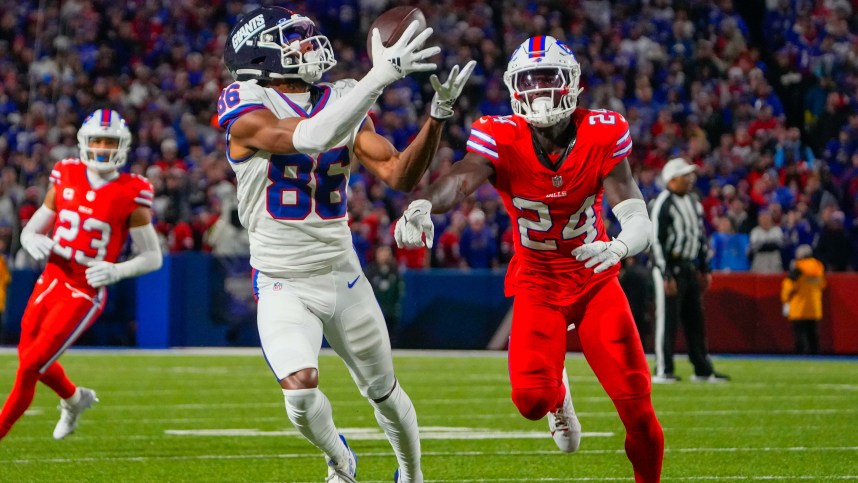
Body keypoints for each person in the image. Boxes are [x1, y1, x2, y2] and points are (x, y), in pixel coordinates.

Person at [218, 7, 474, 483]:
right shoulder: (244, 101)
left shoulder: (340, 96)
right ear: (259, 52)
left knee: (384, 390)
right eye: (291, 39)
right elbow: (307, 136)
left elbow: (400, 174)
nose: (307, 44)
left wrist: (437, 118)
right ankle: (340, 458)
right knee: (299, 392)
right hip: (281, 280)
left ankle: (411, 473)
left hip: (342, 273)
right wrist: (376, 80)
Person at [395, 36, 663, 483]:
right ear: (515, 88)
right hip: (538, 284)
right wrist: (425, 204)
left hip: (595, 280)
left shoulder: (602, 130)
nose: (539, 91)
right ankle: (559, 396)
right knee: (530, 401)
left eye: (549, 79)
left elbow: (635, 213)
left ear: (572, 84)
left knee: (638, 409)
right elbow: (460, 180)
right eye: (529, 82)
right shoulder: (500, 135)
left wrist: (618, 245)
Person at [0, 109, 162, 441]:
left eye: (109, 141)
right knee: (28, 357)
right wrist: (31, 237)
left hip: (84, 288)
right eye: (97, 140)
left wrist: (118, 270)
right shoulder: (66, 173)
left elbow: (152, 257)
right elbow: (39, 222)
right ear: (83, 142)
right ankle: (74, 399)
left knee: (30, 366)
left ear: (123, 146)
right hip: (52, 277)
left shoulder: (132, 191)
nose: (102, 147)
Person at [650, 158, 729, 384]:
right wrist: (665, 273)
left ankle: (703, 369)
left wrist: (704, 268)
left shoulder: (694, 201)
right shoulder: (663, 202)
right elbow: (656, 240)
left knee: (696, 320)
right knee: (667, 320)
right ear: (672, 179)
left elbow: (700, 236)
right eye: (685, 175)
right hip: (669, 267)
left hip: (689, 267)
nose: (690, 179)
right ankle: (664, 369)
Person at [780, 244, 826, 354]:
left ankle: (801, 355)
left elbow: (789, 286)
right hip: (815, 306)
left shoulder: (798, 267)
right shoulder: (819, 267)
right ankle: (816, 355)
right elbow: (823, 285)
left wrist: (785, 300)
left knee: (800, 334)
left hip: (799, 306)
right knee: (813, 334)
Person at [364, 245, 403, 347]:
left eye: (387, 253)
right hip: (374, 311)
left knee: (390, 339)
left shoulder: (395, 271)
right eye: (382, 253)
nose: (384, 256)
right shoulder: (370, 271)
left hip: (390, 311)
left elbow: (399, 291)